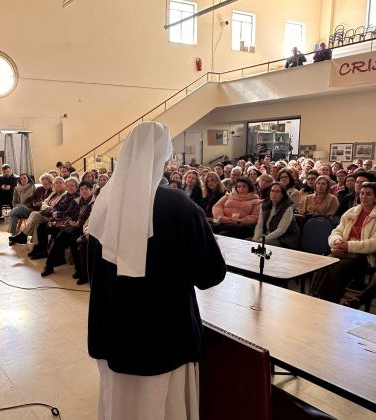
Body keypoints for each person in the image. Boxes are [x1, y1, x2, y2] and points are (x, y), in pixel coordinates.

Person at [87, 121, 225, 420]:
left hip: (115, 328)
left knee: (121, 404)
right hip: (164, 333)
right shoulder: (180, 206)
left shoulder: (105, 202)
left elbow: (92, 270)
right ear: (164, 157)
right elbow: (210, 275)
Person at [313, 182, 376, 304]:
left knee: (338, 268)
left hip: (366, 258)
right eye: (362, 193)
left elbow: (375, 243)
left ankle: (328, 302)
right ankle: (315, 297)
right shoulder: (352, 212)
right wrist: (336, 241)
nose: (363, 196)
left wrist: (348, 246)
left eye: (368, 194)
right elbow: (337, 231)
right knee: (323, 263)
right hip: (344, 251)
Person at [252, 182, 300, 248]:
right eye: (272, 191)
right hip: (267, 236)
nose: (274, 194)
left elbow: (281, 230)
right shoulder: (265, 205)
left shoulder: (287, 209)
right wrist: (255, 239)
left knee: (263, 245)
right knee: (247, 243)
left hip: (284, 239)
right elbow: (259, 225)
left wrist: (261, 240)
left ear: (282, 194)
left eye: (277, 191)